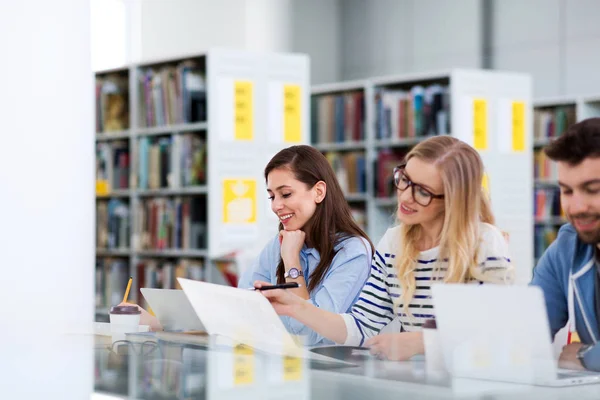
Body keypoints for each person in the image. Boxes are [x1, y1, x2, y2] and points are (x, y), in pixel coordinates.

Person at [256, 136, 513, 360]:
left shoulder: (485, 242)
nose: (405, 196)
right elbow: (360, 326)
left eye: (422, 191)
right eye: (404, 180)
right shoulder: (394, 243)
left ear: (453, 200)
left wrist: (420, 342)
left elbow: (496, 332)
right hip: (417, 383)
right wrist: (295, 306)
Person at [237, 145, 374, 345]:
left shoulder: (353, 252)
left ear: (318, 192)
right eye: (272, 196)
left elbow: (307, 334)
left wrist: (292, 260)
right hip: (285, 363)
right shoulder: (280, 243)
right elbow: (244, 306)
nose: (275, 206)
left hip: (336, 369)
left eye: (285, 194)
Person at [531, 118, 600, 372]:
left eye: (592, 189)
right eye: (567, 191)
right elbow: (527, 331)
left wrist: (585, 356)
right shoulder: (567, 247)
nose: (577, 207)